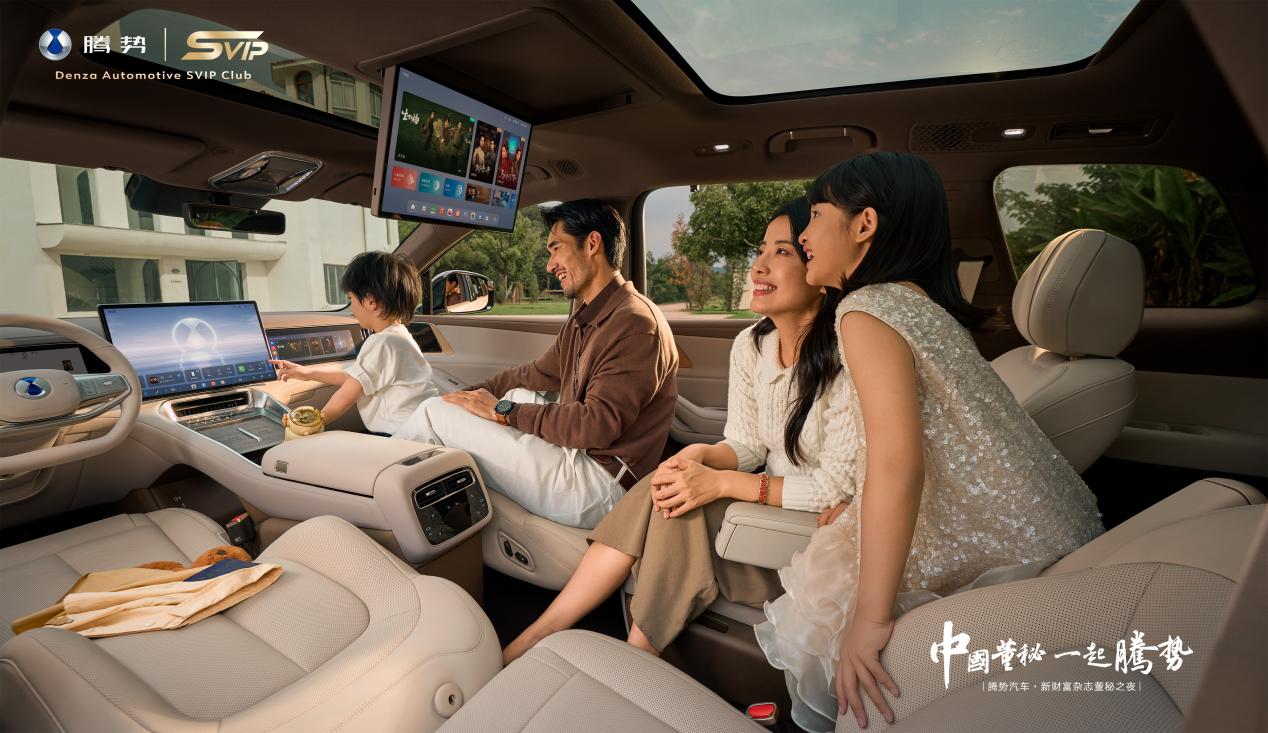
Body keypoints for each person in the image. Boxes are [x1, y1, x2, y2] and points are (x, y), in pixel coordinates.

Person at [754, 152, 1105, 732]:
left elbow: (897, 465)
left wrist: (869, 621)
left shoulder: (863, 310)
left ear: (864, 224)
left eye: (815, 216)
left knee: (828, 608)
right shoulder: (915, 301)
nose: (804, 235)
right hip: (1047, 531)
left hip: (1002, 551)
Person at [502, 198, 859, 664]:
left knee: (679, 508)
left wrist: (723, 483)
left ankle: (630, 661)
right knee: (671, 479)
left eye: (783, 252)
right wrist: (700, 458)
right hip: (769, 506)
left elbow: (836, 490)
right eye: (760, 250)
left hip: (818, 532)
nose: (758, 266)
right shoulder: (752, 345)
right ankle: (551, 634)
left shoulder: (849, 355)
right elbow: (748, 444)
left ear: (817, 266)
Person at [398, 199, 678, 530]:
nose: (549, 265)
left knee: (432, 413)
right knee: (507, 394)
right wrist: (468, 398)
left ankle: (373, 486)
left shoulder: (634, 324)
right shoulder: (591, 315)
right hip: (584, 457)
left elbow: (596, 425)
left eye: (555, 248)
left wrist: (501, 410)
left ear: (592, 244)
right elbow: (533, 374)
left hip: (599, 485)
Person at [271, 251, 437, 436]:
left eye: (351, 299)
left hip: (398, 435)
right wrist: (306, 373)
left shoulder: (381, 342)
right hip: (416, 431)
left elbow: (349, 393)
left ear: (370, 301)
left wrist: (316, 421)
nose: (351, 308)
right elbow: (355, 378)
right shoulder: (400, 337)